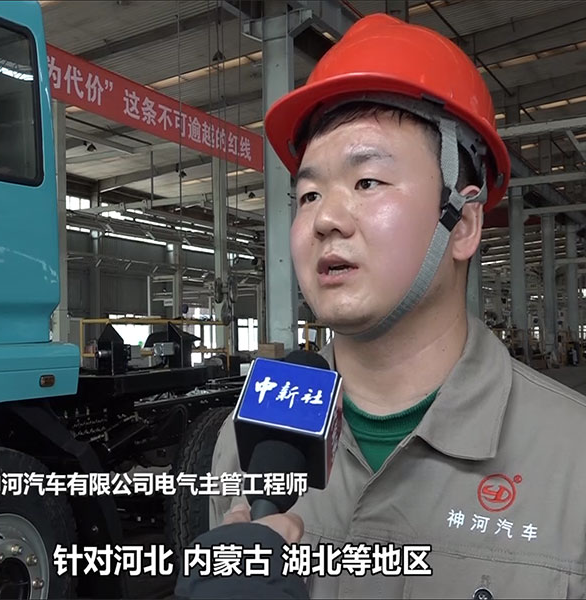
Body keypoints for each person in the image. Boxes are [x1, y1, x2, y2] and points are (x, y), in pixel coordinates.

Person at [208, 13, 586, 599]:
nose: (326, 219)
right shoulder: (246, 442)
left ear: (463, 224)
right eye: (308, 194)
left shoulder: (573, 459)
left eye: (368, 182)